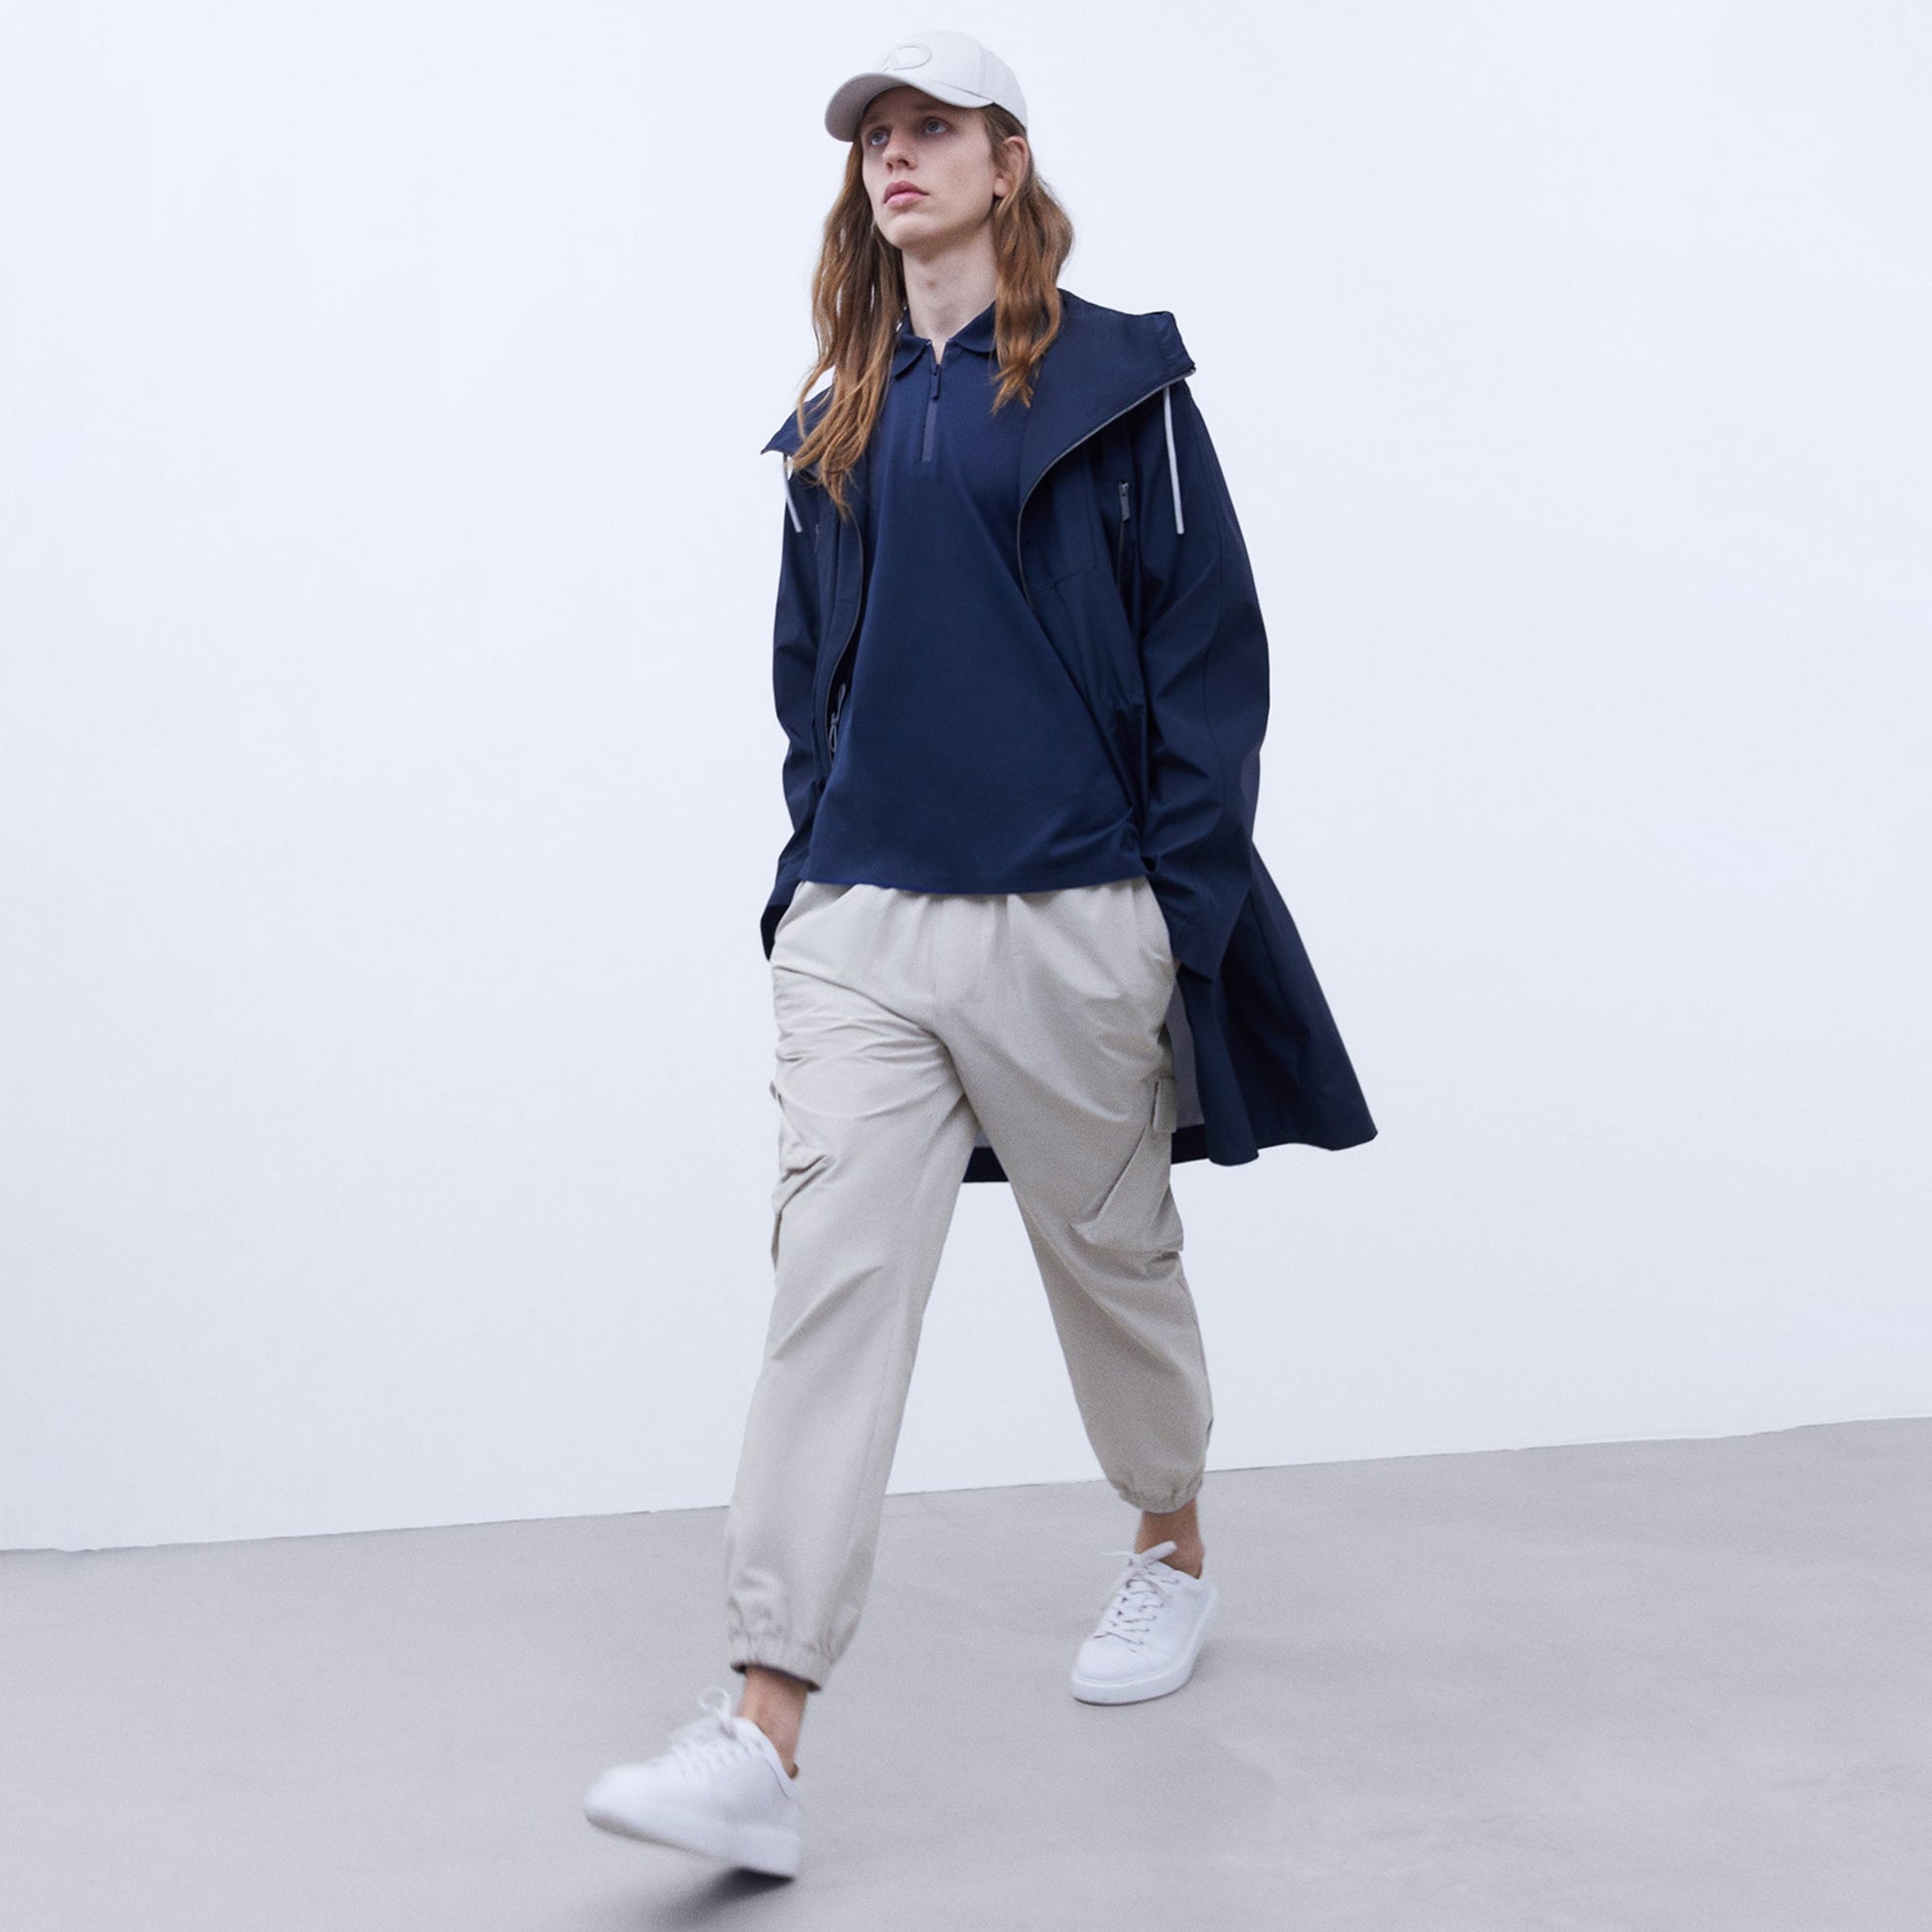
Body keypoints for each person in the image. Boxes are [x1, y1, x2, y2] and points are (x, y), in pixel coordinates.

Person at [583, 28, 1375, 1879]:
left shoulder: (1119, 389)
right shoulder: (839, 413)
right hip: (863, 926)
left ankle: (1168, 1538)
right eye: (875, 134)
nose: (895, 156)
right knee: (828, 1288)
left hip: (1072, 916)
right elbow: (806, 676)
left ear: (1006, 162)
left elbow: (1210, 663)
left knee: (1112, 1267)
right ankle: (761, 1724)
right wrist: (811, 878)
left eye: (931, 128)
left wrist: (1165, 920)